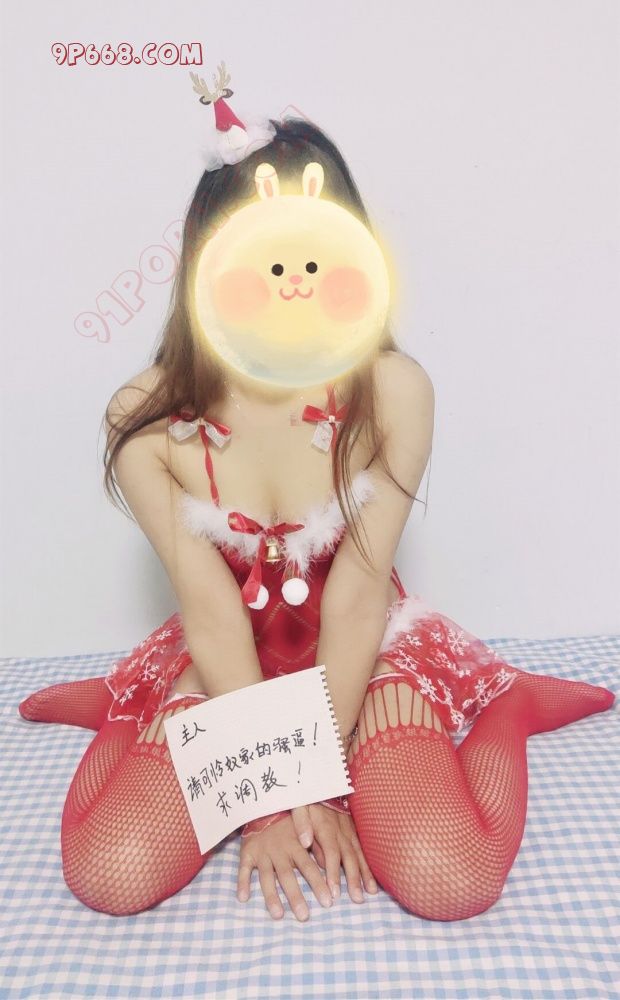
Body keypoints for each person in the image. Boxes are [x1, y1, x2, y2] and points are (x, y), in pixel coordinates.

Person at [18, 117, 615, 921]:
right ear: (208, 256)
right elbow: (212, 612)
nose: (291, 278)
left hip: (359, 649)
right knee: (111, 873)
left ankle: (506, 703)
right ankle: (125, 708)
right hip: (227, 655)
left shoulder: (394, 391)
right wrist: (269, 801)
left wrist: (320, 784)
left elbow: (358, 597)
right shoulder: (148, 419)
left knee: (451, 880)